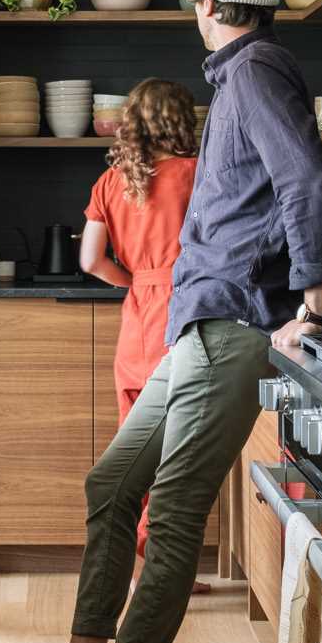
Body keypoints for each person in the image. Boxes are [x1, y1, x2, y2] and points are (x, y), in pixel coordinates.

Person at [0, 0, 322, 643]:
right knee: (113, 487)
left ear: (209, 3)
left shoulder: (251, 74)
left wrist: (313, 302)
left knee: (173, 509)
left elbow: (307, 182)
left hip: (235, 327)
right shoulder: (246, 75)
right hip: (200, 325)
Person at [80, 78, 200, 569]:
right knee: (179, 454)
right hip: (187, 314)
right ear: (181, 120)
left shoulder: (112, 182)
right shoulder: (196, 173)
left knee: (135, 451)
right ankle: (160, 570)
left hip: (137, 321)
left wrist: (135, 279)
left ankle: (130, 565)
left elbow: (90, 260)